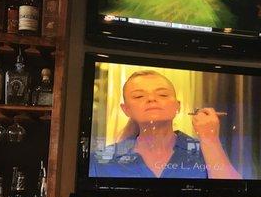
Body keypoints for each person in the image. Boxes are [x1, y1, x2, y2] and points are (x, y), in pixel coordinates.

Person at [90, 70, 241, 179]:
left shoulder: (207, 151)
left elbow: (233, 194)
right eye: (139, 96)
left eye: (162, 94)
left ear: (178, 106)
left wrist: (210, 139)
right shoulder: (100, 160)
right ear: (126, 109)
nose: (151, 99)